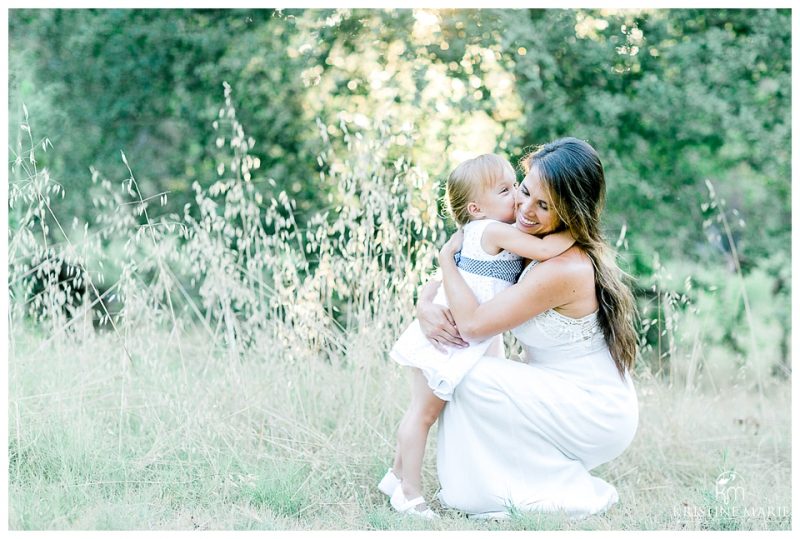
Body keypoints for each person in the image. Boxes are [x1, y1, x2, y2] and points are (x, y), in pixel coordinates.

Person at [417, 137, 639, 519]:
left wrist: (445, 260)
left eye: (544, 205)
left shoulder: (563, 267)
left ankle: (535, 491)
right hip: (558, 390)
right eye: (524, 191)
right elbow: (475, 283)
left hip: (596, 410)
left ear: (570, 210)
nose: (526, 210)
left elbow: (471, 325)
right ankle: (505, 483)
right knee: (472, 372)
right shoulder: (533, 242)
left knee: (468, 375)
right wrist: (424, 306)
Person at [379, 154, 574, 518]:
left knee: (427, 411)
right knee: (422, 415)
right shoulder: (491, 230)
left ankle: (395, 476)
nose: (517, 198)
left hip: (469, 337)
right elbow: (547, 249)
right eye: (505, 191)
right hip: (449, 336)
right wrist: (579, 227)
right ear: (476, 208)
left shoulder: (485, 231)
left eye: (515, 186)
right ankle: (408, 493)